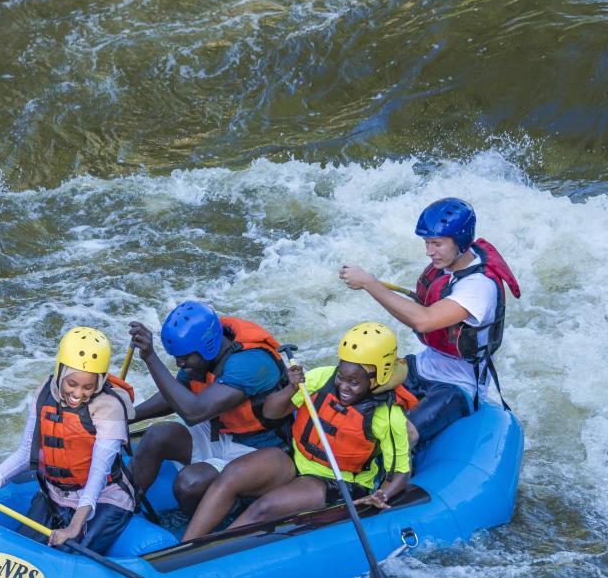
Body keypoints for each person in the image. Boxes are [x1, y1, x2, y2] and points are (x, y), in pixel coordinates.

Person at [181, 323, 415, 540]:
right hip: (296, 458)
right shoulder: (322, 378)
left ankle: (209, 559)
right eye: (342, 377)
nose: (343, 387)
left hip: (337, 480)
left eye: (354, 383)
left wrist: (382, 495)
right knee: (232, 475)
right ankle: (185, 548)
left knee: (264, 508)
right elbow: (272, 412)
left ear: (378, 376)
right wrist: (291, 388)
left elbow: (399, 476)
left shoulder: (388, 416)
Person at [340, 197, 520, 447]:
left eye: (436, 243)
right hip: (424, 365)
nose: (428, 251)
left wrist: (370, 284)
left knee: (403, 434)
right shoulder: (452, 262)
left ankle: (386, 482)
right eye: (426, 243)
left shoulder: (479, 287)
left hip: (458, 385)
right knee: (356, 387)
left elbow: (424, 321)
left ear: (461, 241)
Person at [0, 327, 136, 554]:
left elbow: (97, 475)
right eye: (72, 384)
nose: (78, 394)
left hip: (106, 498)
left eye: (88, 387)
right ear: (60, 372)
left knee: (69, 552)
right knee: (16, 552)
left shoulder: (109, 407)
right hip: (56, 496)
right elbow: (27, 453)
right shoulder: (45, 394)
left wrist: (74, 527)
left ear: (101, 380)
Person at [126, 301, 289, 515]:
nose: (179, 364)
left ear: (207, 346)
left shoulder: (250, 363)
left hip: (259, 450)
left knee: (190, 482)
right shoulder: (204, 353)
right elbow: (176, 393)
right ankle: (124, 505)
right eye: (176, 357)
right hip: (220, 432)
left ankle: (224, 517)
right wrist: (127, 415)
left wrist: (150, 358)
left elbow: (194, 413)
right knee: (157, 434)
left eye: (184, 358)